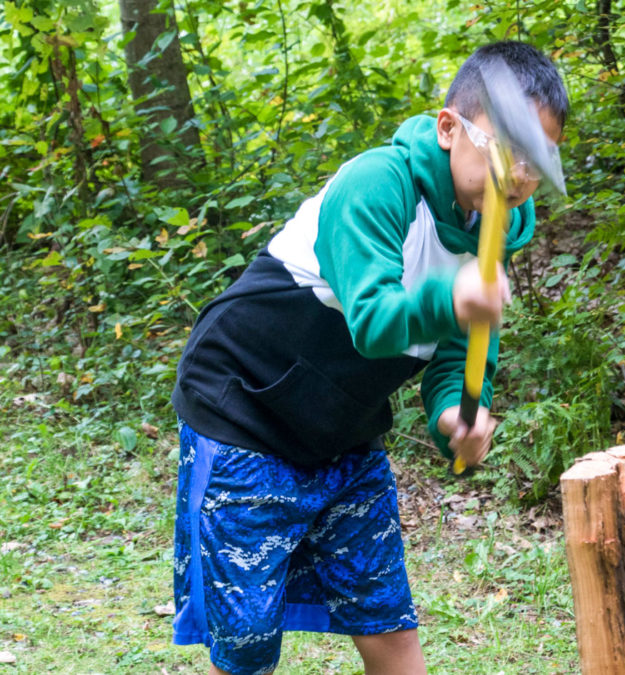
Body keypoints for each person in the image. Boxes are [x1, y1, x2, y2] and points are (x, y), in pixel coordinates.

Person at [170, 40, 568, 675]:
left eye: (538, 156)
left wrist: (457, 415)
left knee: (387, 618)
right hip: (244, 407)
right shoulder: (377, 186)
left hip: (343, 431)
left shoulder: (499, 227)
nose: (521, 174)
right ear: (449, 128)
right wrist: (454, 297)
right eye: (508, 146)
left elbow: (459, 353)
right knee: (245, 641)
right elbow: (378, 324)